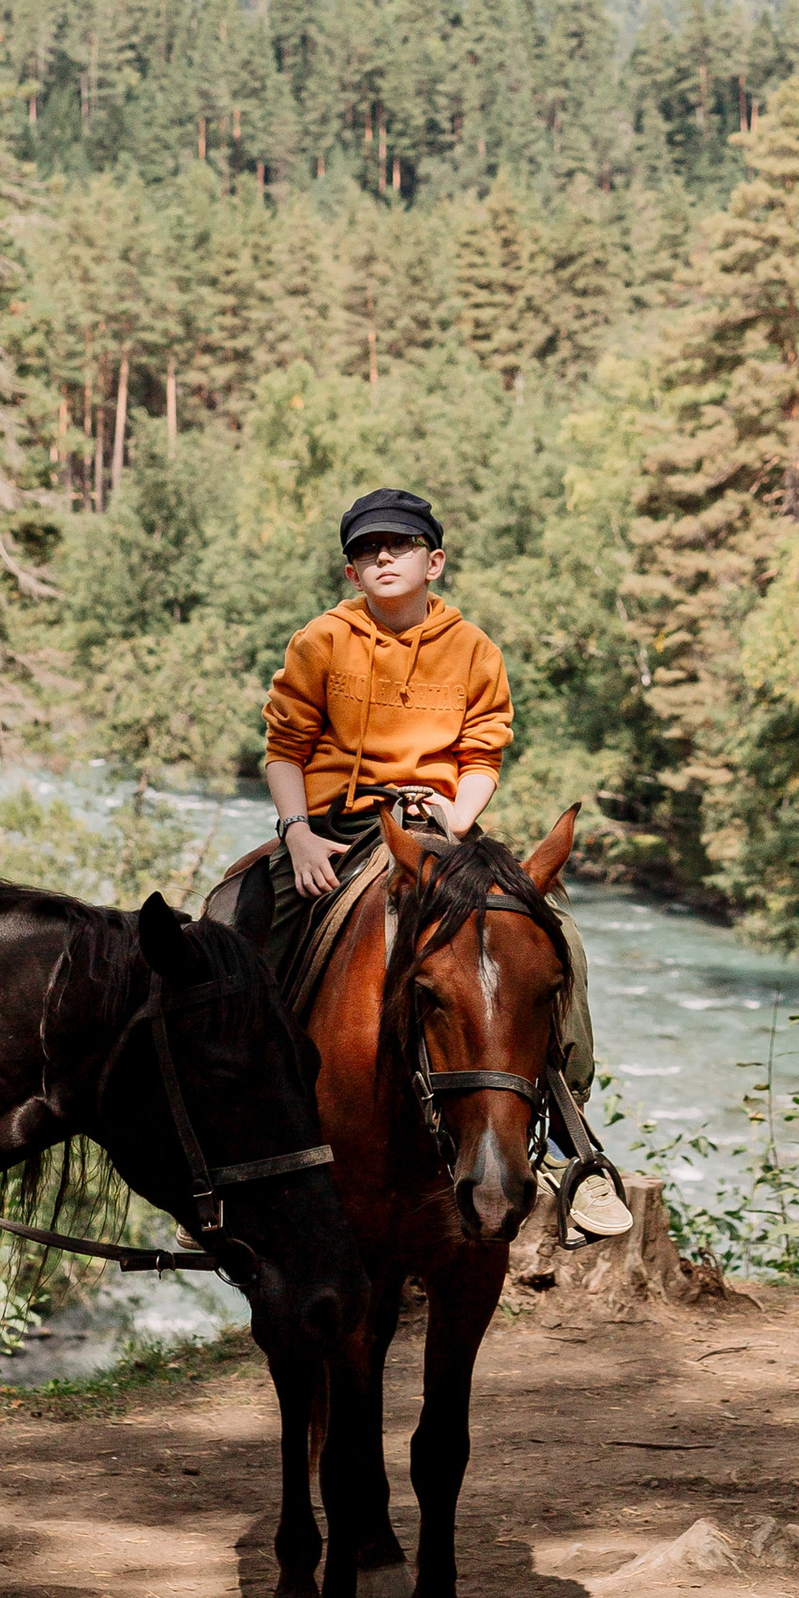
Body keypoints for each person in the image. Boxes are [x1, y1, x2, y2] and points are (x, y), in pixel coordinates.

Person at [262, 485, 624, 1232]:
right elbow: (285, 750)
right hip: (333, 825)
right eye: (366, 550)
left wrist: (457, 815)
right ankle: (232, 1140)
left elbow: (482, 753)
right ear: (351, 574)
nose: (382, 557)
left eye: (396, 545)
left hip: (441, 823)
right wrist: (295, 832)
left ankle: (571, 1139)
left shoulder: (472, 648)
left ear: (435, 561)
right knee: (230, 924)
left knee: (555, 937)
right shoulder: (319, 641)